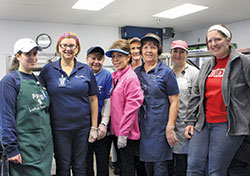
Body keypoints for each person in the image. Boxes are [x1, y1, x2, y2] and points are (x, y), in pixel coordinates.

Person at [184, 24, 250, 176]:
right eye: (209, 41)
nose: (213, 44)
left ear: (228, 40)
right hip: (203, 123)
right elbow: (196, 94)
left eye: (217, 39)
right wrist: (190, 121)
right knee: (193, 167)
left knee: (215, 171)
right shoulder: (207, 65)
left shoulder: (243, 62)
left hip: (227, 125)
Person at [39, 32, 99, 176]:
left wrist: (94, 127)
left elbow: (93, 99)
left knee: (80, 165)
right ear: (59, 48)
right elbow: (40, 95)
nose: (68, 49)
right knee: (63, 165)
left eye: (72, 45)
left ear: (77, 49)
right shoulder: (48, 70)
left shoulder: (85, 70)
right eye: (64, 45)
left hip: (82, 128)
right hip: (59, 128)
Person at [0, 38, 53, 176]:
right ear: (17, 56)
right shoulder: (10, 81)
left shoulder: (39, 81)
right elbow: (6, 117)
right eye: (28, 54)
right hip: (25, 148)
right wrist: (11, 149)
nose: (32, 57)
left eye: (35, 54)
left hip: (44, 147)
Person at [134, 33, 179, 176]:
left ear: (158, 50)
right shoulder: (137, 72)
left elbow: (175, 101)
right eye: (145, 47)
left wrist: (170, 126)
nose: (148, 50)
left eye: (152, 47)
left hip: (160, 126)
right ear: (141, 51)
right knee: (147, 165)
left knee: (160, 165)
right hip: (143, 125)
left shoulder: (166, 72)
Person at [105, 39, 144, 176]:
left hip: (127, 135)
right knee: (122, 168)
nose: (115, 60)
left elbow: (132, 108)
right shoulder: (115, 76)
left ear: (128, 57)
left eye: (119, 56)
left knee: (128, 169)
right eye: (113, 57)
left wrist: (124, 133)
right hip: (117, 132)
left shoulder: (130, 78)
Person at [170, 40, 199, 176]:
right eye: (175, 51)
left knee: (183, 164)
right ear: (171, 53)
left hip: (186, 126)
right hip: (169, 126)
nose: (178, 54)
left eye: (182, 52)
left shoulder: (194, 73)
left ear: (186, 54)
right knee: (169, 164)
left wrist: (191, 122)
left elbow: (197, 100)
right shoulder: (166, 72)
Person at [85, 46, 112, 176]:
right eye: (93, 58)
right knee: (86, 161)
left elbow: (108, 101)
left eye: (99, 59)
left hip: (101, 121)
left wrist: (103, 124)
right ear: (86, 59)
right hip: (84, 122)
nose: (96, 61)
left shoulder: (107, 76)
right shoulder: (81, 74)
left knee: (102, 161)